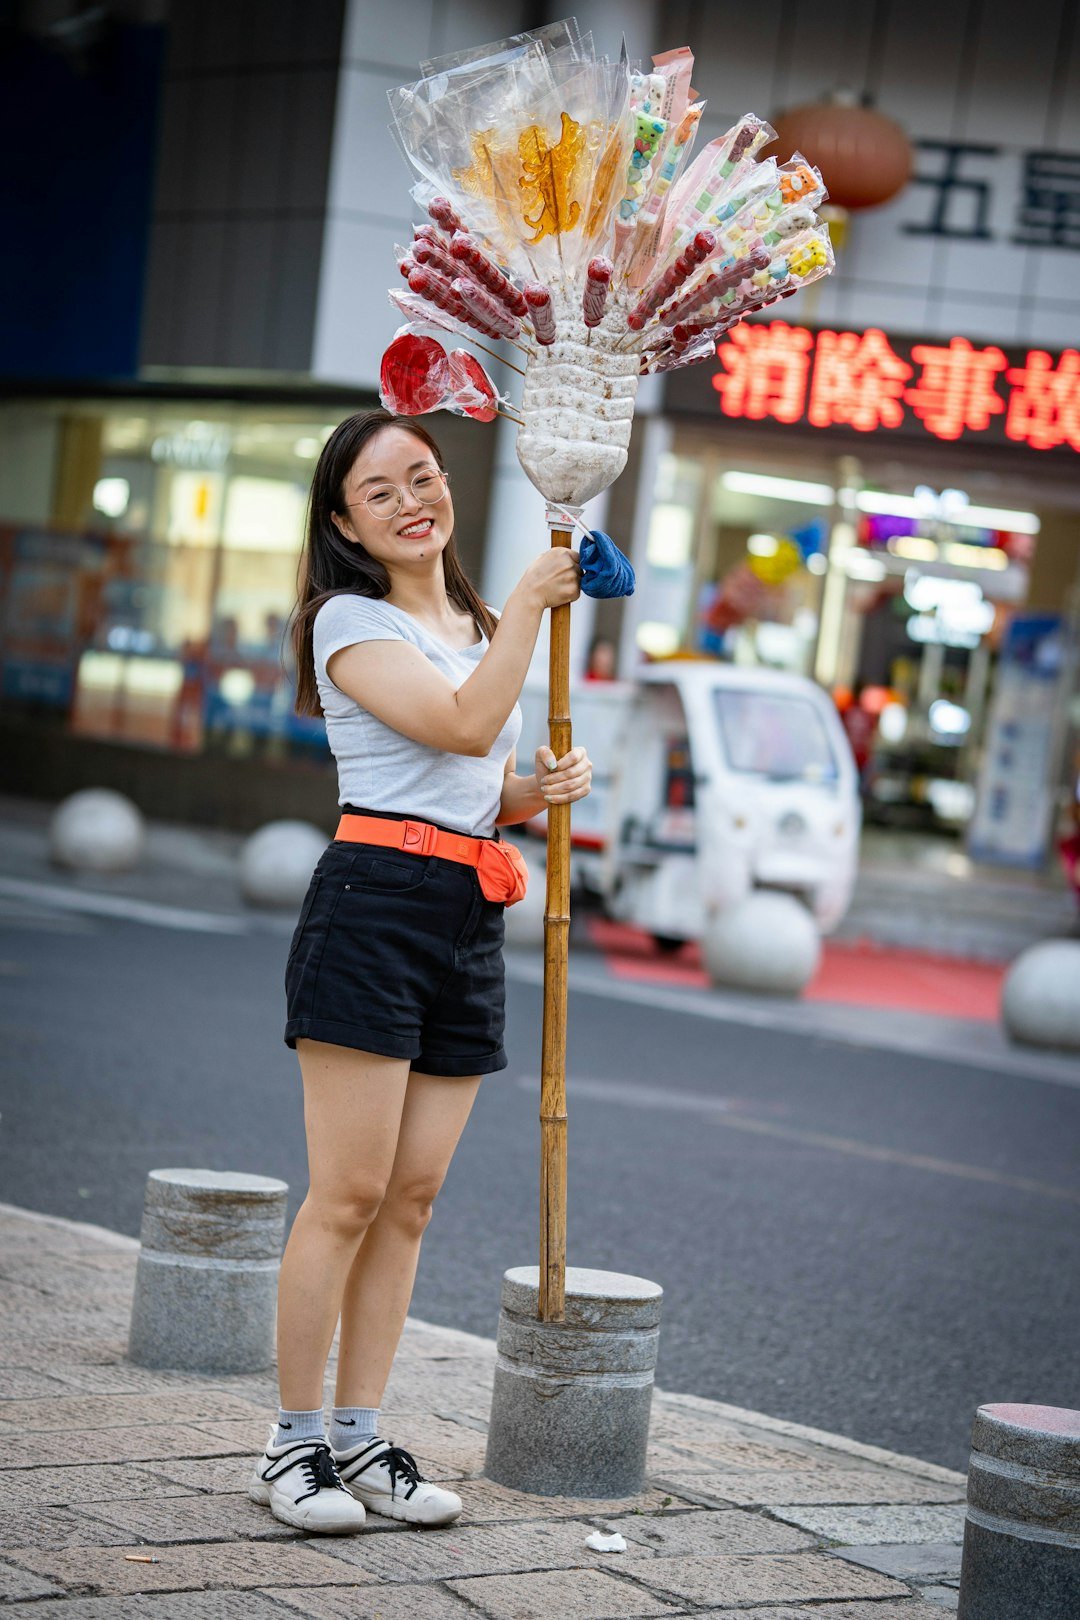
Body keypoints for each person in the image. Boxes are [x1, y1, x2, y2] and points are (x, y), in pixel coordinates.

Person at [249, 409, 593, 1534]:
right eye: (381, 489)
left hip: (466, 905)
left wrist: (536, 793)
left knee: (411, 1198)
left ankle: (358, 1436)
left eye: (425, 476)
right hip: (372, 907)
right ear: (344, 520)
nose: (413, 501)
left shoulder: (476, 618)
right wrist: (535, 613)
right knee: (346, 1193)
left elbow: (472, 780)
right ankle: (291, 1444)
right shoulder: (347, 619)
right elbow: (455, 725)